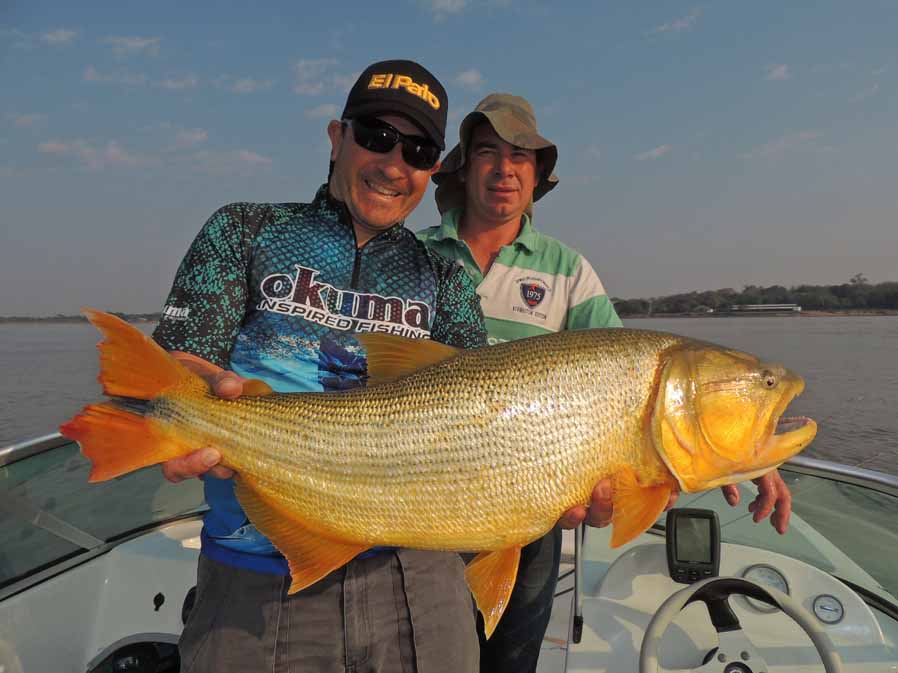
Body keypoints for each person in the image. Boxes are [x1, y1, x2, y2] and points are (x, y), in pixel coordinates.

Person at [418, 93, 795, 673]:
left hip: (532, 512)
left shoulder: (568, 270)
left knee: (510, 661)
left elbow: (632, 381)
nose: (504, 168)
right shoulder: (410, 255)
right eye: (488, 152)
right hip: (413, 489)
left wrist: (746, 452)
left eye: (521, 156)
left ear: (537, 176)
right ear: (463, 167)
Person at [153, 60, 486, 673]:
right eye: (376, 137)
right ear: (337, 138)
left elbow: (482, 426)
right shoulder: (244, 230)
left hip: (419, 579)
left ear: (432, 169)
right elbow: (169, 369)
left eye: (416, 149)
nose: (393, 164)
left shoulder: (448, 279)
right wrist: (177, 409)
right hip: (257, 578)